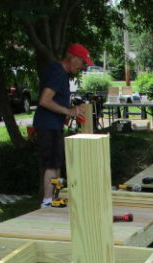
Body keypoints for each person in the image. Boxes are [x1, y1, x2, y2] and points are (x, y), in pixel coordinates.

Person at [33, 43, 92, 208]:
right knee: (51, 164)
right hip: (48, 125)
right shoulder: (58, 72)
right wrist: (68, 111)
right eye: (82, 62)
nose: (83, 66)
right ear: (73, 58)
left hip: (53, 124)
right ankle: (47, 201)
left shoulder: (59, 72)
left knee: (56, 162)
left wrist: (67, 112)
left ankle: (54, 199)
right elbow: (45, 100)